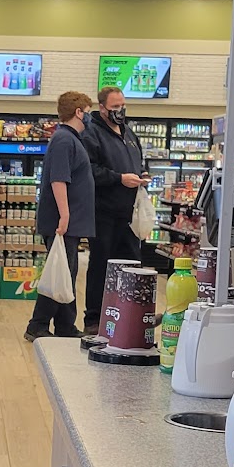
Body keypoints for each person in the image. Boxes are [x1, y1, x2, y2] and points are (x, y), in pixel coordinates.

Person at [24, 89, 94, 343]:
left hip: (70, 221)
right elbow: (58, 180)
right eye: (88, 112)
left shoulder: (70, 139)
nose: (90, 117)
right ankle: (37, 325)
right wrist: (64, 216)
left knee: (67, 272)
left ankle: (65, 324)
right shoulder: (64, 140)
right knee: (59, 272)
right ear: (79, 112)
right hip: (62, 221)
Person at [80, 85, 150, 333]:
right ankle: (94, 319)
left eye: (123, 105)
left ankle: (128, 316)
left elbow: (139, 162)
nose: (120, 111)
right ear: (102, 108)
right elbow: (90, 170)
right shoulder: (92, 133)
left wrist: (142, 175)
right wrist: (119, 178)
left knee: (131, 265)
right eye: (115, 107)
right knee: (101, 265)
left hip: (129, 213)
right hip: (104, 212)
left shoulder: (129, 133)